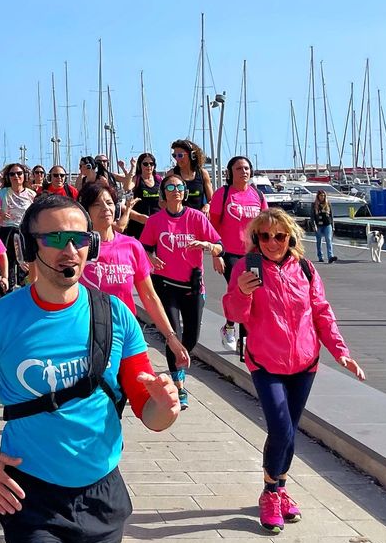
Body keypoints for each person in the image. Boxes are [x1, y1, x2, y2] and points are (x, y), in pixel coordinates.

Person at [0, 194, 180, 543]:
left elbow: (150, 414)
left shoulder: (116, 315)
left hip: (101, 489)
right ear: (26, 246)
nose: (69, 250)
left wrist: (166, 408)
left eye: (79, 239)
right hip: (29, 494)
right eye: (53, 239)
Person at [223, 208, 364, 533]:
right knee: (282, 429)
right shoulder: (247, 267)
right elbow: (235, 313)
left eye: (280, 236)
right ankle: (270, 493)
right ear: (256, 239)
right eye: (265, 236)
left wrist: (341, 352)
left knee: (290, 430)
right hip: (265, 362)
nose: (273, 242)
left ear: (291, 237)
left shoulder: (305, 268)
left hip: (304, 364)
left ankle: (280, 488)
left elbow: (321, 313)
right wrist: (242, 291)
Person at [78, 183, 190, 371]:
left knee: (139, 392)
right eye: (97, 204)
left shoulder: (131, 246)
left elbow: (149, 297)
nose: (105, 208)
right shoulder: (76, 248)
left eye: (109, 203)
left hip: (126, 335)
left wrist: (172, 338)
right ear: (86, 211)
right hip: (87, 337)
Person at [139, 173, 223, 409]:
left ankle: (178, 368)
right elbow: (143, 249)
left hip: (193, 286)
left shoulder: (196, 217)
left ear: (185, 192)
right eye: (170, 186)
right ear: (163, 192)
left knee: (191, 337)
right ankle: (179, 385)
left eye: (179, 186)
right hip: (166, 286)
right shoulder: (156, 221)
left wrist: (208, 246)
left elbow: (220, 246)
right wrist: (151, 258)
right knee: (172, 335)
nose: (175, 190)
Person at [210, 156, 268, 356]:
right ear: (230, 172)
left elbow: (266, 224)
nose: (243, 172)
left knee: (252, 295)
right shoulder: (223, 194)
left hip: (253, 254)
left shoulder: (258, 196)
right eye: (238, 168)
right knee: (237, 290)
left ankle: (245, 346)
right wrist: (215, 254)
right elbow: (213, 228)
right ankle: (228, 326)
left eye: (246, 168)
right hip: (229, 253)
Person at [0, 163, 34, 286]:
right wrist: (1, 218)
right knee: (8, 263)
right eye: (12, 174)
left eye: (19, 173)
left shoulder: (32, 195)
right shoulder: (2, 193)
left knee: (24, 264)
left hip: (24, 232)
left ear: (24, 175)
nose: (16, 176)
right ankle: (8, 288)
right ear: (8, 177)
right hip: (6, 231)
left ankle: (24, 289)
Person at [119, 153, 160, 239]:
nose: (148, 166)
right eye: (145, 164)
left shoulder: (158, 179)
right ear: (140, 165)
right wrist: (132, 167)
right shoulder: (137, 178)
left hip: (156, 221)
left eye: (151, 164)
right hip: (139, 222)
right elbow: (127, 187)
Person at [167, 139, 214, 213]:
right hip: (179, 219)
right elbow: (163, 201)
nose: (177, 159)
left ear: (192, 155)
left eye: (180, 155)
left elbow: (211, 199)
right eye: (174, 156)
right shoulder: (172, 174)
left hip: (199, 218)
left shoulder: (203, 173)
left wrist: (207, 206)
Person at [312, 190, 336, 263]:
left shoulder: (328, 204)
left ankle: (330, 256)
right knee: (319, 241)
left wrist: (333, 225)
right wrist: (314, 225)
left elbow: (331, 216)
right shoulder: (314, 205)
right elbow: (312, 216)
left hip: (327, 224)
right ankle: (320, 256)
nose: (322, 197)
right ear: (318, 196)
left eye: (323, 195)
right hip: (318, 225)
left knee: (328, 240)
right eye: (321, 195)